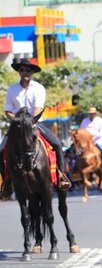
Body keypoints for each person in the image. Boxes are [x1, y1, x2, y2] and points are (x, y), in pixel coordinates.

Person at [1, 58, 70, 198]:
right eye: (22, 69)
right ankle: (7, 183)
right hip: (17, 125)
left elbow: (38, 109)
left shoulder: (39, 88)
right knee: (1, 149)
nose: (25, 72)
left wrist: (29, 122)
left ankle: (61, 176)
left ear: (32, 72)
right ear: (18, 72)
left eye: (28, 70)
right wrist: (16, 121)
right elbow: (8, 110)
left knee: (56, 144)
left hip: (35, 123)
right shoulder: (12, 89)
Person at [79, 106, 102, 171]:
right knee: (78, 151)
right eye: (91, 113)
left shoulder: (100, 121)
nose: (92, 115)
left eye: (93, 113)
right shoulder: (85, 121)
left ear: (95, 114)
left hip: (97, 140)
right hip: (87, 142)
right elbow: (81, 130)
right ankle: (77, 166)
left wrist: (95, 135)